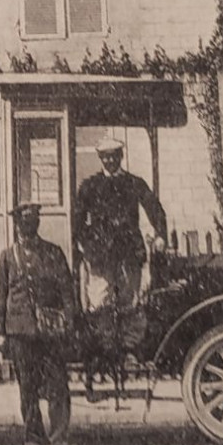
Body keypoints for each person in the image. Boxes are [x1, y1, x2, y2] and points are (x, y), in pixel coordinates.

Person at [0, 203, 80, 445]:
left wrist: (69, 323)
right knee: (27, 388)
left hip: (50, 332)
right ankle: (33, 441)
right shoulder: (8, 257)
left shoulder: (53, 253)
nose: (26, 232)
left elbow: (67, 290)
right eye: (22, 227)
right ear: (17, 228)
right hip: (20, 332)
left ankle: (60, 442)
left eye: (30, 227)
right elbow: (0, 295)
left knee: (58, 387)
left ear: (36, 226)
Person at [72, 136, 169, 364]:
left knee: (130, 301)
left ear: (121, 156)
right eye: (105, 157)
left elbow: (155, 209)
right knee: (99, 301)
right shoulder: (89, 186)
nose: (110, 160)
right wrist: (85, 244)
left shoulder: (135, 183)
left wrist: (161, 235)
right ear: (100, 159)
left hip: (129, 253)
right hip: (100, 255)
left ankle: (129, 349)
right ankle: (104, 350)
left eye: (114, 156)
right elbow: (77, 220)